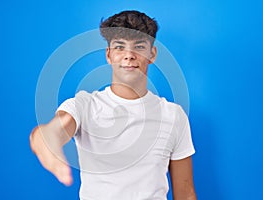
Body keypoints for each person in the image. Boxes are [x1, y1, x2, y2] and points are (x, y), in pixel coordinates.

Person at [30, 10, 197, 200]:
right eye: (120, 47)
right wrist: (46, 140)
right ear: (109, 55)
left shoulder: (173, 115)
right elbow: (53, 130)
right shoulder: (84, 105)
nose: (129, 55)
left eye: (139, 46)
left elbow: (186, 194)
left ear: (152, 54)